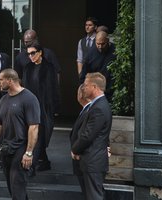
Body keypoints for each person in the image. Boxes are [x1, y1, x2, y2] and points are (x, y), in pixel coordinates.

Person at [0, 68, 40, 200]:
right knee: (13, 188)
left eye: (0, 79)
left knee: (17, 187)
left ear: (10, 80)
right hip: (6, 148)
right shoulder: (3, 100)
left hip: (21, 148)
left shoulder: (29, 98)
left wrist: (29, 152)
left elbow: (34, 127)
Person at [72, 72, 112, 200]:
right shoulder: (99, 105)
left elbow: (87, 135)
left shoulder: (98, 108)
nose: (84, 88)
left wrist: (75, 149)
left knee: (94, 196)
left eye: (86, 85)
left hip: (93, 161)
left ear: (94, 87)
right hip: (93, 160)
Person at [23, 41, 60, 171]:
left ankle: (31, 166)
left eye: (33, 53)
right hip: (30, 107)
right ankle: (43, 161)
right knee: (36, 135)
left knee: (41, 134)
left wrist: (55, 107)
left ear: (40, 53)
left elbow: (54, 88)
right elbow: (24, 88)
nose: (30, 56)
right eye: (28, 54)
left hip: (44, 107)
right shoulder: (28, 68)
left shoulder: (49, 68)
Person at [80, 31, 115, 102]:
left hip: (112, 91)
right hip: (96, 92)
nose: (100, 47)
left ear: (108, 41)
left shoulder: (115, 51)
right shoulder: (90, 54)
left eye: (103, 44)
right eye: (98, 44)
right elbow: (83, 75)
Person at [69, 84, 91, 195]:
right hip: (82, 160)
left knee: (89, 191)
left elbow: (86, 135)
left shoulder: (90, 111)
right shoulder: (85, 110)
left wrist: (76, 149)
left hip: (84, 159)